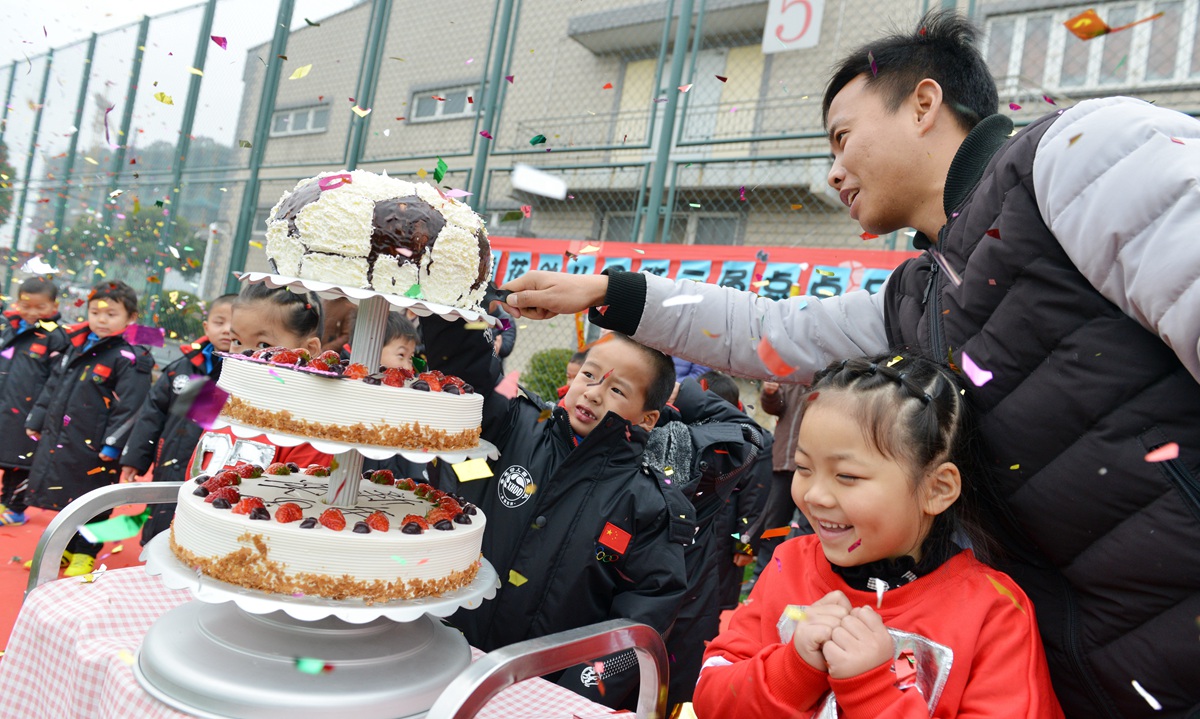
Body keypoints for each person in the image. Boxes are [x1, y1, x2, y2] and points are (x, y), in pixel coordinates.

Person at [498, 10, 1200, 716]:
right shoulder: (917, 295)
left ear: (924, 104)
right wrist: (608, 291)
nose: (833, 170)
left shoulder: (1080, 154)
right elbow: (767, 329)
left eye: (842, 136)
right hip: (1103, 675)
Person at [692, 354, 1063, 718]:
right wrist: (793, 668)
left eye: (847, 476)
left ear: (937, 489)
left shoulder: (992, 612)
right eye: (804, 468)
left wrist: (873, 691)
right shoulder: (788, 564)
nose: (814, 495)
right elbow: (711, 696)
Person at [422, 316, 693, 708]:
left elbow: (640, 619)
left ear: (648, 418)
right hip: (445, 654)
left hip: (543, 694)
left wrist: (569, 699)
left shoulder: (646, 504)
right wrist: (455, 297)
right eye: (589, 375)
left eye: (617, 389)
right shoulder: (515, 423)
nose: (594, 393)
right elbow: (468, 368)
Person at [23, 281, 154, 576]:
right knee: (64, 494)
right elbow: (52, 387)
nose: (101, 320)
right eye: (96, 312)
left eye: (111, 314)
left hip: (96, 446)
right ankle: (63, 550)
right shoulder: (76, 344)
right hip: (64, 438)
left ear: (131, 318)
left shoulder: (131, 356)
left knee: (93, 500)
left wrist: (113, 443)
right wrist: (37, 419)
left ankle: (86, 554)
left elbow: (132, 405)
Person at [651, 369, 764, 709]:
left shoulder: (732, 453)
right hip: (705, 535)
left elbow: (755, 498)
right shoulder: (681, 445)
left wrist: (744, 541)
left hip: (726, 533)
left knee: (719, 598)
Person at [119, 294, 236, 545]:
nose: (227, 331)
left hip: (213, 475)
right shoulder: (185, 366)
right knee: (159, 529)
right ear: (206, 327)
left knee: (195, 537)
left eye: (235, 325)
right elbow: (152, 415)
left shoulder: (244, 374)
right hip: (169, 464)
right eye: (219, 322)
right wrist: (134, 459)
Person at [190, 283, 331, 473]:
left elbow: (295, 498)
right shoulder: (221, 400)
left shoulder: (310, 429)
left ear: (309, 351)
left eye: (263, 344)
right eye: (237, 341)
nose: (246, 355)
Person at [0, 278, 68, 527]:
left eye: (40, 307)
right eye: (26, 305)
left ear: (53, 306)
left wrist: (40, 414)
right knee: (8, 459)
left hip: (31, 413)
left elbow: (57, 380)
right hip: (7, 407)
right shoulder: (9, 329)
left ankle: (16, 508)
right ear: (17, 302)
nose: (31, 312)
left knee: (23, 462)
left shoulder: (56, 337)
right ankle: (5, 501)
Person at [747, 380, 813, 581]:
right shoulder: (790, 379)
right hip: (783, 464)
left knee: (808, 528)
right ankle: (761, 577)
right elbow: (775, 407)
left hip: (813, 470)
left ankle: (798, 579)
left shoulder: (827, 383)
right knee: (773, 524)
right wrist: (769, 393)